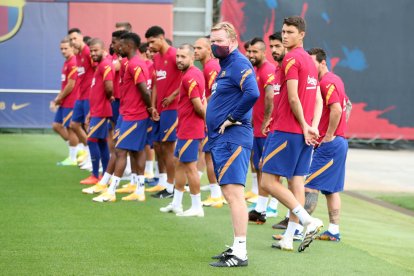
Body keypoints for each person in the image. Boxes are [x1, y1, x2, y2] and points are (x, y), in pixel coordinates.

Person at [259, 16, 324, 252]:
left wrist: (306, 125)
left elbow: (295, 97)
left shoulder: (292, 59)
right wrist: (312, 126)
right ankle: (289, 237)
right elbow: (317, 99)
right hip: (301, 133)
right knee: (296, 182)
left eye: (289, 32)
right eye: (283, 31)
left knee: (267, 181)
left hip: (288, 131)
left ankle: (308, 221)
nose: (285, 35)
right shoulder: (308, 60)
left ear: (302, 35)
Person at [207, 22, 259, 267]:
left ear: (233, 41)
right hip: (221, 139)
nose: (214, 45)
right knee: (230, 193)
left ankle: (241, 253)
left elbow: (253, 93)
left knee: (235, 194)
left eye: (219, 40)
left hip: (233, 138)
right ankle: (236, 246)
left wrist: (232, 118)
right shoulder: (226, 66)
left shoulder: (238, 63)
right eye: (212, 40)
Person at [92, 32, 157, 203]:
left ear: (129, 46)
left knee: (120, 150)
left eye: (120, 45)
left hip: (134, 115)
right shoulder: (130, 64)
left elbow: (144, 90)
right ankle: (139, 190)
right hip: (127, 113)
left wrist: (150, 108)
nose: (117, 48)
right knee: (137, 151)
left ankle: (111, 191)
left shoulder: (135, 65)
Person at [304, 47, 350, 242]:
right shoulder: (336, 79)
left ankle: (301, 228)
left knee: (309, 185)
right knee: (331, 189)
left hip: (330, 143)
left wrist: (329, 135)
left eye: (312, 62)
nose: (308, 66)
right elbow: (348, 106)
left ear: (323, 62)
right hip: (340, 142)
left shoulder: (327, 82)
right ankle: (333, 230)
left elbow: (338, 109)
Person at [160, 44, 206, 216]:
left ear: (192, 57)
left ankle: (197, 207)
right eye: (177, 56)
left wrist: (207, 123)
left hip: (190, 129)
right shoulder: (190, 74)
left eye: (183, 57)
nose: (179, 60)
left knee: (190, 167)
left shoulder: (191, 76)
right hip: (185, 128)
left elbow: (198, 106)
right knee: (179, 163)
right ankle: (176, 203)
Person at [144, 26, 181, 198]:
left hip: (173, 110)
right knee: (158, 146)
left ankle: (172, 187)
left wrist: (173, 96)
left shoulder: (175, 55)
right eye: (148, 42)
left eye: (152, 41)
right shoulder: (157, 59)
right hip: (159, 110)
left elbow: (188, 78)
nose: (150, 46)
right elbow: (156, 85)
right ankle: (163, 181)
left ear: (161, 38)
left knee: (168, 148)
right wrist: (152, 107)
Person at [246, 37, 279, 223]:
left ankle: (272, 206)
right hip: (256, 128)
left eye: (254, 52)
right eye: (249, 51)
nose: (251, 55)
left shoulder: (268, 70)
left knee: (270, 169)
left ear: (263, 52)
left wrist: (266, 121)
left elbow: (270, 97)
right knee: (260, 167)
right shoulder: (256, 70)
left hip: (265, 129)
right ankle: (261, 207)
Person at [194, 37, 224, 208]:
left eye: (199, 48)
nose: (196, 51)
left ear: (209, 50)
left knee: (209, 155)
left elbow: (216, 93)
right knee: (207, 153)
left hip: (213, 118)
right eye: (194, 47)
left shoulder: (212, 67)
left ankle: (216, 195)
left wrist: (203, 105)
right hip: (212, 116)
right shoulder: (207, 66)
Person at [81, 38, 113, 185]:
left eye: (95, 50)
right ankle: (105, 175)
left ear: (102, 49)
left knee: (91, 140)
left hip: (101, 111)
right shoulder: (99, 65)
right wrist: (90, 113)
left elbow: (108, 86)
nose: (93, 53)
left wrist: (107, 100)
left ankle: (95, 175)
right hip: (96, 111)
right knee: (101, 142)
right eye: (91, 51)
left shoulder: (106, 64)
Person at [68, 28, 94, 180]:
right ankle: (88, 154)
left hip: (90, 97)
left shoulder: (87, 52)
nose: (73, 41)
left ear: (81, 38)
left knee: (88, 127)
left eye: (75, 38)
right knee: (74, 125)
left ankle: (92, 160)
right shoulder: (77, 55)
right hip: (81, 96)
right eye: (70, 39)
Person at [52, 37, 79, 166]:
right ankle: (77, 150)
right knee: (56, 126)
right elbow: (64, 85)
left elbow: (71, 85)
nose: (63, 51)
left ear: (72, 48)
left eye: (65, 48)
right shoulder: (67, 62)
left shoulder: (73, 62)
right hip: (64, 101)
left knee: (70, 128)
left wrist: (59, 98)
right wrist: (58, 99)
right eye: (61, 49)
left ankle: (73, 158)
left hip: (71, 101)